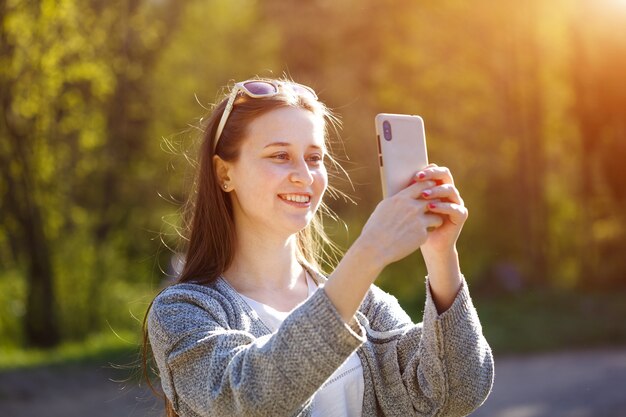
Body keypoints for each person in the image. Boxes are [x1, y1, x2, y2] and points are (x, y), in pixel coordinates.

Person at [144, 77, 494, 417]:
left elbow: (455, 394)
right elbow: (252, 401)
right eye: (280, 155)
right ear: (224, 174)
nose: (305, 175)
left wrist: (441, 254)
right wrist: (369, 252)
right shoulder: (183, 311)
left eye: (314, 157)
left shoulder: (365, 303)